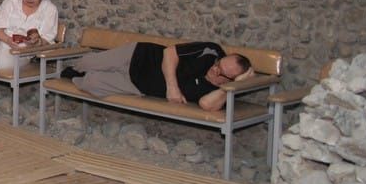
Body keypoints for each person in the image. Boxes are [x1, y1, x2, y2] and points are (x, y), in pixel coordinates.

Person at [61, 41, 253, 111]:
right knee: (86, 63)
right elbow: (170, 52)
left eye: (221, 72)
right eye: (218, 64)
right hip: (138, 56)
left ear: (231, 81)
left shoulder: (219, 93)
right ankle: (75, 69)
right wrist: (172, 87)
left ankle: (77, 76)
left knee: (90, 82)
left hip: (137, 84)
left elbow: (206, 104)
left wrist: (233, 87)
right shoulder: (211, 51)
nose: (214, 69)